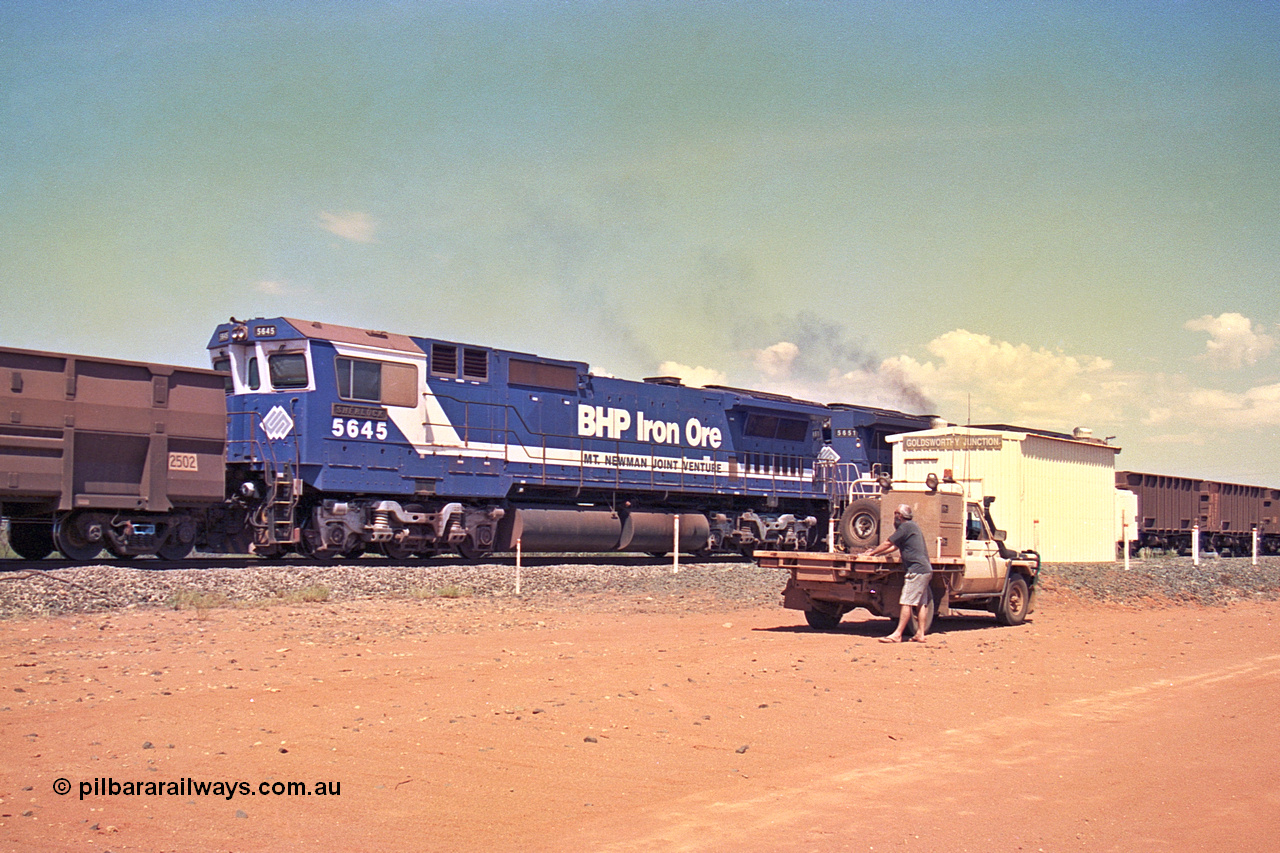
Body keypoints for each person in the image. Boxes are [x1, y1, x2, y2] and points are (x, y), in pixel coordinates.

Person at [862, 503, 933, 643]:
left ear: (899, 516)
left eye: (895, 514)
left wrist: (872, 552)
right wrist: (877, 553)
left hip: (916, 571)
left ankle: (897, 634)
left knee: (907, 601)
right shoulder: (912, 527)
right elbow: (894, 546)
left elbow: (888, 543)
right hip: (925, 570)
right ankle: (920, 634)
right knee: (921, 603)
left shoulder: (905, 527)